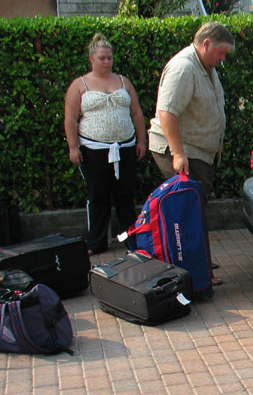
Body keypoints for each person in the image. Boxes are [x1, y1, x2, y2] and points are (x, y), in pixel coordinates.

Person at [148, 21, 234, 286]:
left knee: (195, 210)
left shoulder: (205, 66)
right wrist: (178, 153)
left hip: (199, 152)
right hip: (184, 151)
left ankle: (197, 261)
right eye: (220, 52)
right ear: (205, 44)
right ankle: (194, 270)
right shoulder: (184, 67)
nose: (222, 59)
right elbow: (167, 112)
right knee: (189, 213)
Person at [64, 33, 147, 255]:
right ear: (92, 59)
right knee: (98, 195)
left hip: (125, 147)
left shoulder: (123, 81)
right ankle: (96, 242)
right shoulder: (79, 85)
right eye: (102, 58)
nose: (107, 62)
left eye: (109, 58)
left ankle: (128, 238)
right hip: (93, 149)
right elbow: (70, 118)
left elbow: (137, 113)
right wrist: (73, 147)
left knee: (125, 195)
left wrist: (141, 141)